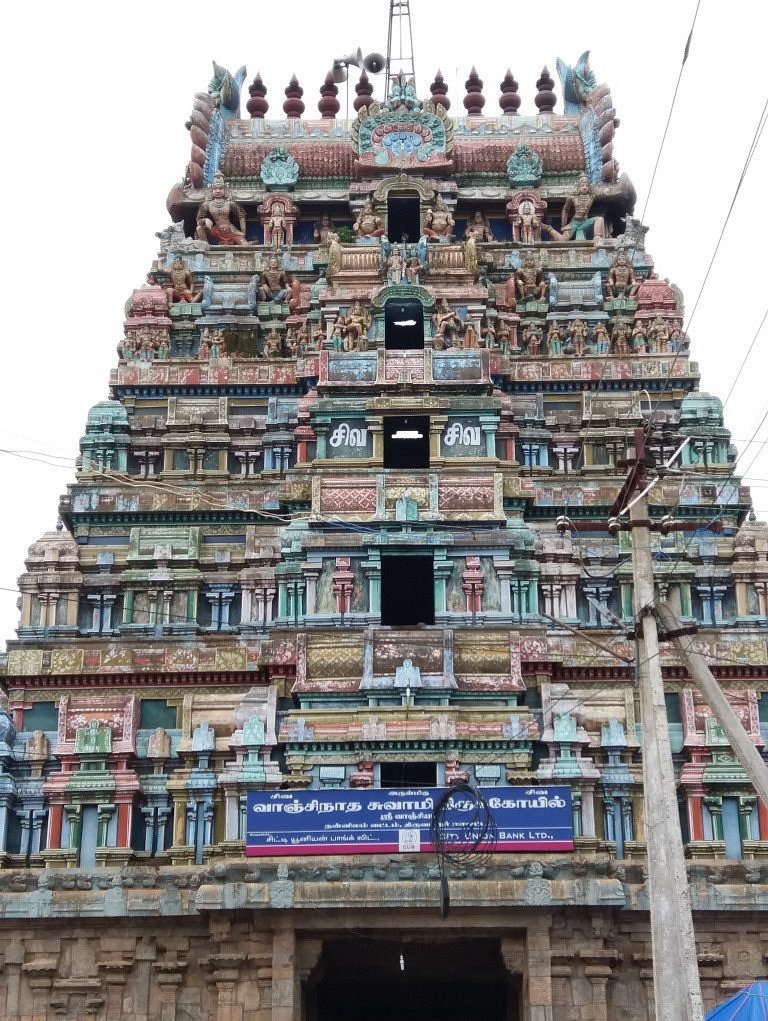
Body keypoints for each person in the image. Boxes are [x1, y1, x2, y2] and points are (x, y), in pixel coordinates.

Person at [195, 172, 247, 245]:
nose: (218, 191)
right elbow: (198, 221)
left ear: (225, 190)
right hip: (216, 230)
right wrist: (205, 220)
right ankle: (204, 244)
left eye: (221, 188)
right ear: (211, 190)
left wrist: (243, 232)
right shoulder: (207, 204)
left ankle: (250, 242)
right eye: (215, 189)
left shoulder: (230, 203)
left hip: (230, 230)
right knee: (199, 228)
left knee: (245, 245)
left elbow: (241, 215)